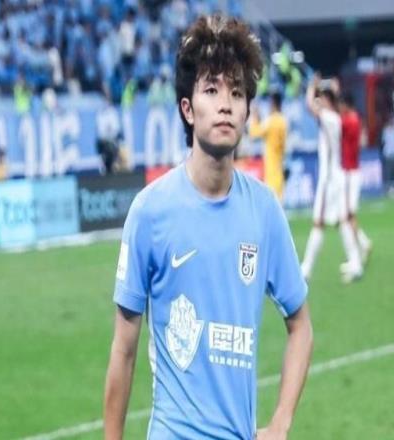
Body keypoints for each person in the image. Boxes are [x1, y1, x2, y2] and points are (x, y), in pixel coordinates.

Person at [104, 15, 313, 440]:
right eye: (212, 90)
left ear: (247, 111)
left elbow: (301, 327)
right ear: (187, 109)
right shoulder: (150, 211)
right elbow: (123, 349)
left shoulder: (264, 211)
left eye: (237, 93)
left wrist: (280, 424)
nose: (225, 104)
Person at [301, 74, 363, 283]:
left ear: (328, 101)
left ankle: (306, 268)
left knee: (319, 223)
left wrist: (312, 87)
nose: (320, 101)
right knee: (343, 221)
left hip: (328, 180)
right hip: (337, 176)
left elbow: (310, 106)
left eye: (323, 98)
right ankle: (355, 263)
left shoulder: (329, 118)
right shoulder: (336, 118)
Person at [338, 92, 372, 264]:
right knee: (347, 215)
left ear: (346, 104)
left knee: (348, 215)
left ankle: (360, 248)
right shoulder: (354, 119)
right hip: (350, 171)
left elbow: (334, 123)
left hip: (350, 173)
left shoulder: (350, 120)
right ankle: (363, 244)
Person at [249, 91, 287, 201]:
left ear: (273, 103)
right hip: (279, 164)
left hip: (271, 166)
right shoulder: (283, 121)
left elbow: (254, 133)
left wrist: (254, 116)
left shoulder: (271, 121)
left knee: (272, 199)